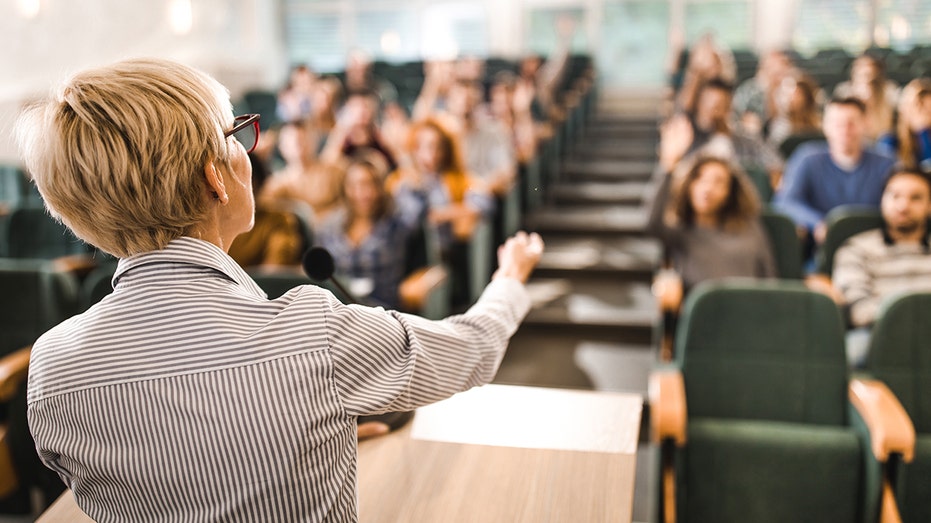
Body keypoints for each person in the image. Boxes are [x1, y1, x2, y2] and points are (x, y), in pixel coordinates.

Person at [15, 58, 544, 522]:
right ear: (216, 178)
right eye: (236, 135)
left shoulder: (52, 368)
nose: (249, 150)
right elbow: (472, 349)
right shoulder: (314, 333)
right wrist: (509, 280)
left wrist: (283, 442)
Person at [647, 115, 777, 298]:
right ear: (688, 185)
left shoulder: (749, 226)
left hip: (751, 312)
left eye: (718, 182)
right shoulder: (682, 231)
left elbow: (769, 276)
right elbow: (652, 223)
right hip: (707, 318)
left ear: (730, 192)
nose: (707, 188)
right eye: (700, 179)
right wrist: (668, 165)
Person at [831, 168, 931, 366]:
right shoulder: (856, 248)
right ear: (883, 200)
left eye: (916, 198)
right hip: (877, 333)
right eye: (895, 196)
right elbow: (858, 310)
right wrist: (907, 320)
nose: (903, 205)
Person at [773, 97, 896, 246]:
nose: (845, 130)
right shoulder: (807, 158)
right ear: (825, 125)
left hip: (876, 244)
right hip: (822, 247)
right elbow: (786, 201)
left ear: (865, 123)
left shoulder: (887, 163)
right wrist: (818, 223)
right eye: (837, 123)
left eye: (852, 123)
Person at [315, 159, 411, 309]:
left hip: (382, 311)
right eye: (355, 185)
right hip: (338, 310)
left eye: (370, 184)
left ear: (380, 187)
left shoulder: (396, 225)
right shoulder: (329, 227)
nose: (363, 193)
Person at [833, 54, 898, 142]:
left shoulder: (890, 92)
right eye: (862, 74)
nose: (866, 80)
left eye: (871, 75)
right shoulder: (843, 93)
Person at [732, 49, 793, 137]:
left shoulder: (790, 91)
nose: (779, 75)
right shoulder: (750, 91)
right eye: (775, 71)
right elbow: (749, 125)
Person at [877, 77, 931, 173]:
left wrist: (923, 132)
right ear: (905, 110)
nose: (923, 117)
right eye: (918, 109)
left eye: (928, 111)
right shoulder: (890, 141)